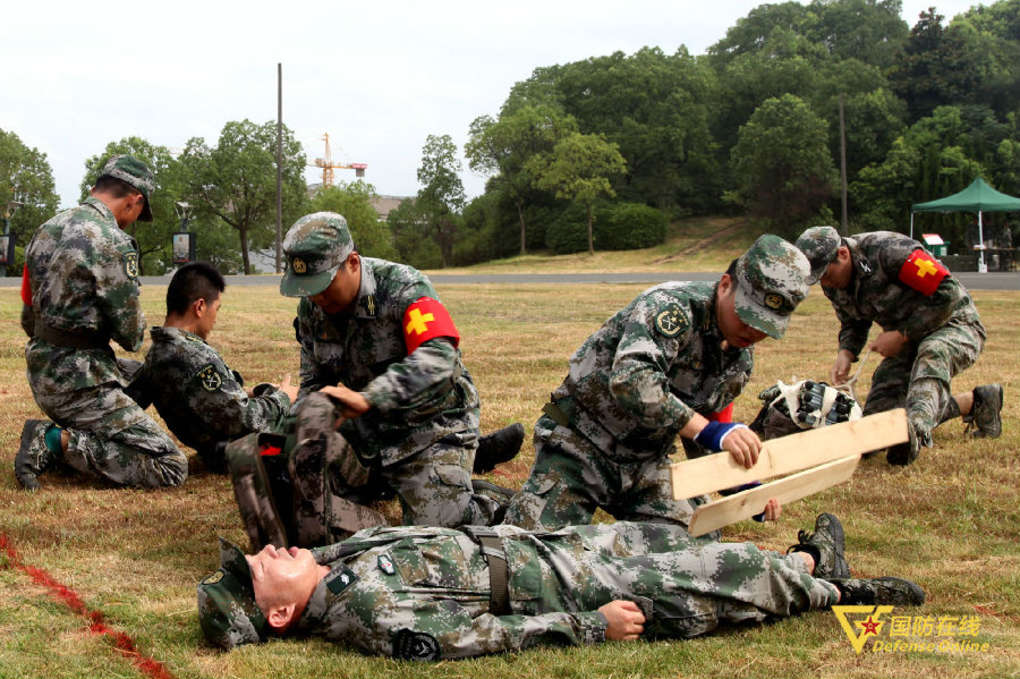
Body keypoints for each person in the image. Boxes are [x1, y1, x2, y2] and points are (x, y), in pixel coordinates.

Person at [197, 513, 924, 658]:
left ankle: (799, 565)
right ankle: (832, 586)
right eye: (262, 569)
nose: (266, 550)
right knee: (710, 585)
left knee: (678, 540)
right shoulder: (359, 608)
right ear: (284, 612)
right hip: (562, 587)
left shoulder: (334, 559)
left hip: (546, 544)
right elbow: (472, 637)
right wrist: (589, 625)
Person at [502, 234, 810, 531]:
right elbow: (633, 381)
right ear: (725, 285)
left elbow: (701, 433)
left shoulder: (740, 362)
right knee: (535, 547)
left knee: (697, 541)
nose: (752, 331)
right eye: (746, 315)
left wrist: (740, 485)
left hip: (646, 460)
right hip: (579, 442)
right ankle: (496, 504)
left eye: (765, 325)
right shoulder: (672, 307)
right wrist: (708, 430)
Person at [279, 211, 515, 528]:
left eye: (324, 283)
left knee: (436, 529)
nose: (317, 297)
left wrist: (371, 398)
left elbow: (438, 357)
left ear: (352, 262)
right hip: (368, 432)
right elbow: (314, 382)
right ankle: (415, 479)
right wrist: (297, 431)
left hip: (431, 426)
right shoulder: (312, 307)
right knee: (305, 493)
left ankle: (483, 498)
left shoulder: (404, 287)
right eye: (307, 287)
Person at [14, 155, 187, 490]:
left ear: (96, 189)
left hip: (42, 368)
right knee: (170, 466)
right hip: (80, 383)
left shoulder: (46, 229)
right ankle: (54, 442)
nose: (132, 222)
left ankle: (87, 436)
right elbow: (131, 335)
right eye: (138, 214)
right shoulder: (113, 241)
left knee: (154, 376)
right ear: (135, 200)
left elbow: (27, 316)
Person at [794, 226, 1003, 465]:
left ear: (843, 254)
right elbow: (853, 322)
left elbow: (948, 294)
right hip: (907, 340)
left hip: (955, 324)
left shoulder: (892, 252)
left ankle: (915, 431)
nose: (825, 283)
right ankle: (979, 401)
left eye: (826, 275)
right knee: (873, 428)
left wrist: (902, 334)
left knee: (932, 354)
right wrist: (846, 352)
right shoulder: (832, 281)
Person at [126, 262, 298, 471]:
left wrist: (254, 392)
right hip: (245, 451)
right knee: (316, 435)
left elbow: (208, 401)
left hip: (219, 451)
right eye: (216, 309)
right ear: (199, 307)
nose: (215, 318)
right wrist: (283, 397)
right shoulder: (193, 355)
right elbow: (243, 419)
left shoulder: (158, 353)